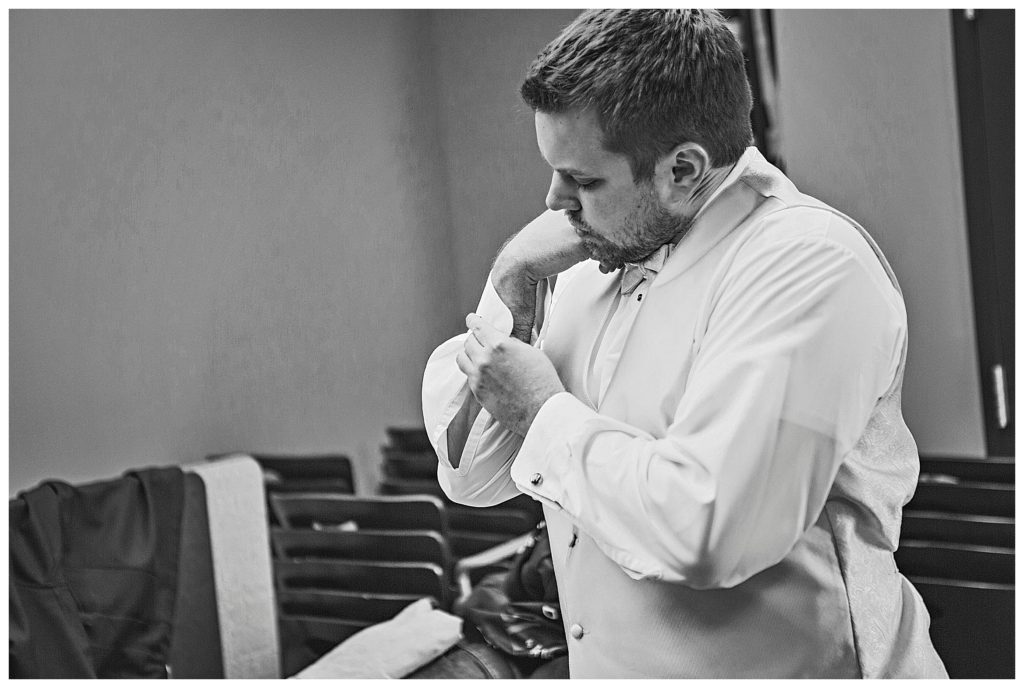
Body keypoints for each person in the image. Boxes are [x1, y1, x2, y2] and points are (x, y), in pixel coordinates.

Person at [421, 9, 947, 679]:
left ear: (684, 168)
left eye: (582, 180)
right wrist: (509, 277)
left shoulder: (810, 265)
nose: (554, 202)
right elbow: (469, 475)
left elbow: (712, 532)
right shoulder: (589, 259)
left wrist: (540, 413)